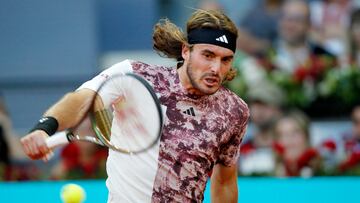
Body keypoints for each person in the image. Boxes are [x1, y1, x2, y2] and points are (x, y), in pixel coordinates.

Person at [20, 9, 249, 202]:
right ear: (186, 51)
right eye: (208, 55)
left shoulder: (233, 111)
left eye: (225, 59)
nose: (216, 68)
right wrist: (45, 127)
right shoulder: (134, 76)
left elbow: (226, 181)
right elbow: (82, 100)